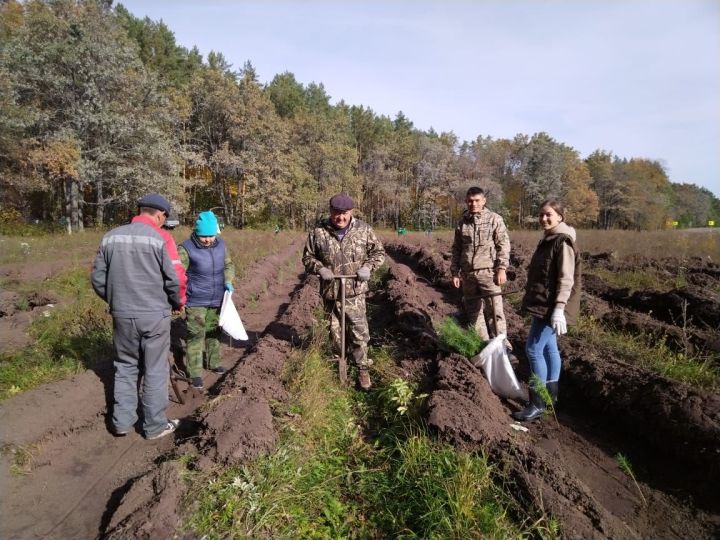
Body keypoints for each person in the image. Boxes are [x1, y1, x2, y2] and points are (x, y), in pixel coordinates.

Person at [91, 193, 187, 440]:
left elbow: (98, 279)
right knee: (155, 369)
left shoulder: (111, 237)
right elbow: (176, 279)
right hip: (154, 315)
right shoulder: (161, 238)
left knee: (124, 366)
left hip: (122, 315)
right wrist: (178, 302)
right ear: (160, 215)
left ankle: (121, 423)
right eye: (165, 218)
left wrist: (117, 301)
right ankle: (154, 426)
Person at [302, 193, 385, 390]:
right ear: (330, 212)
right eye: (336, 213)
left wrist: (368, 267)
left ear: (351, 212)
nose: (341, 217)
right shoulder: (318, 231)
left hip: (354, 292)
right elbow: (308, 257)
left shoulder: (363, 230)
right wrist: (320, 268)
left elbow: (378, 252)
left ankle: (362, 369)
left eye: (345, 213)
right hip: (330, 293)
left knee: (359, 332)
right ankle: (340, 364)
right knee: (335, 333)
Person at [512, 199, 581, 422]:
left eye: (549, 214)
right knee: (550, 347)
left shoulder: (563, 242)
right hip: (543, 303)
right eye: (541, 215)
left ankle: (537, 403)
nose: (544, 218)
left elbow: (566, 279)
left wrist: (559, 309)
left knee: (533, 349)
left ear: (560, 216)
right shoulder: (550, 238)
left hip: (551, 306)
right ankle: (551, 395)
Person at [178, 210, 235, 391]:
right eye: (204, 236)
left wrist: (228, 280)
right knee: (196, 335)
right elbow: (178, 275)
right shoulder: (186, 248)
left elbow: (228, 265)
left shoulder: (221, 246)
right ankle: (194, 373)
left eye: (211, 235)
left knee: (214, 332)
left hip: (217, 298)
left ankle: (213, 362)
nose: (208, 240)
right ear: (197, 232)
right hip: (195, 301)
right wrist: (180, 296)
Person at [450, 187, 511, 345]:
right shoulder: (462, 223)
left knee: (495, 311)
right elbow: (457, 249)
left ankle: (502, 346)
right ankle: (483, 345)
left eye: (477, 200)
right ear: (466, 201)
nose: (473, 204)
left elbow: (503, 245)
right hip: (468, 275)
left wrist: (502, 269)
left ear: (484, 201)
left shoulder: (494, 219)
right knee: (474, 312)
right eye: (470, 201)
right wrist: (455, 273)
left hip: (489, 274)